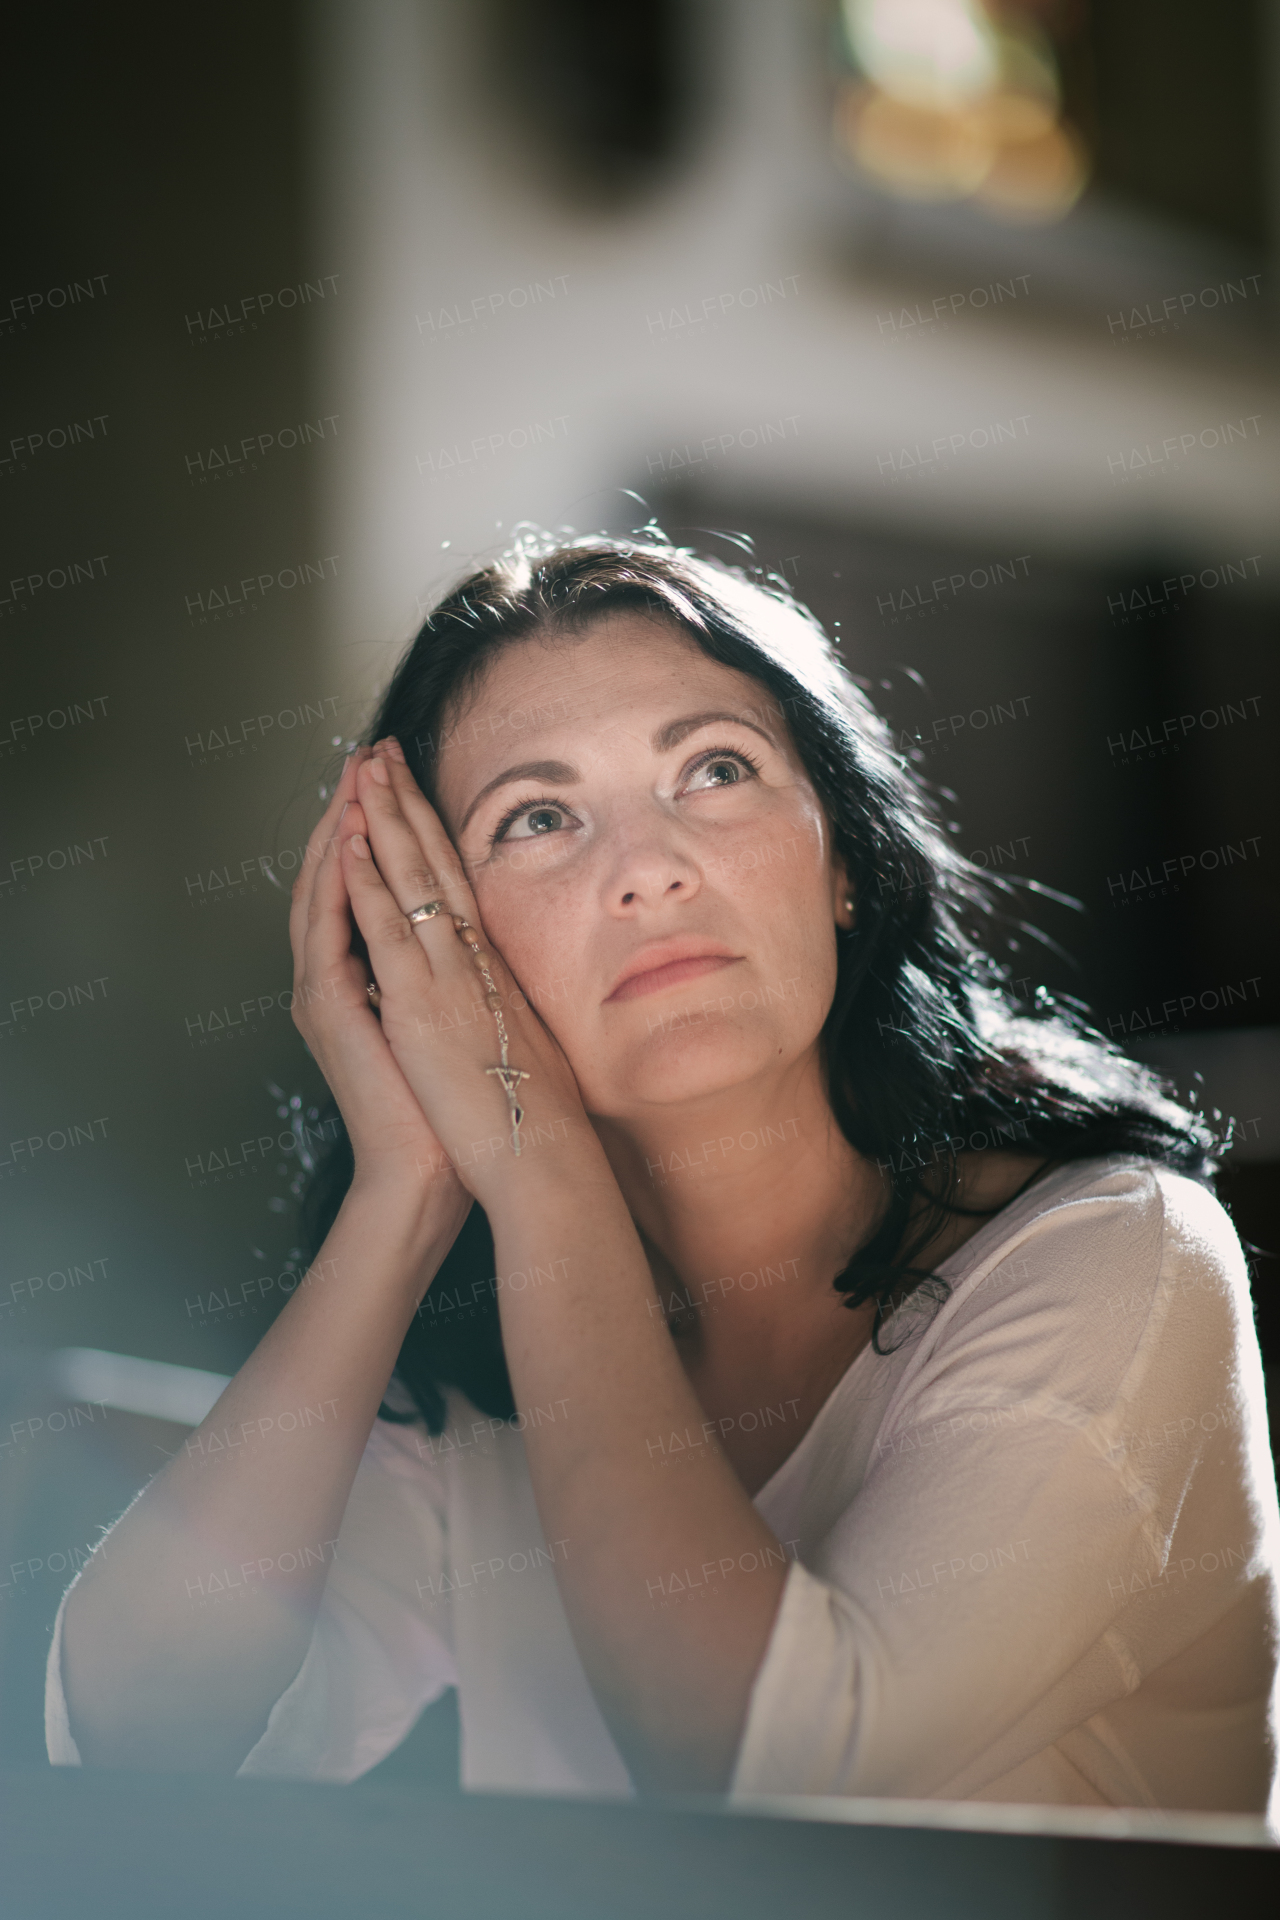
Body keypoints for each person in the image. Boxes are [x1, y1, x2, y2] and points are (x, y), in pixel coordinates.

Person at [48, 535, 1279, 1811]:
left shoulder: (1118, 1252)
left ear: (843, 859)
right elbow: (136, 1730)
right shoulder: (483, 1367)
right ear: (421, 946)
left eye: (713, 770)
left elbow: (769, 1769)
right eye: (538, 817)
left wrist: (538, 1174)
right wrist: (402, 1193)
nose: (647, 866)